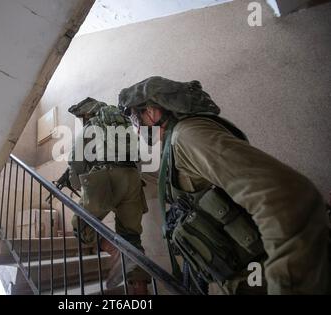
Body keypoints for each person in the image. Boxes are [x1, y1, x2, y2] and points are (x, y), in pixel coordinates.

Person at [118, 76, 330, 295]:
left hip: (262, 275)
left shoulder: (188, 136)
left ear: (152, 112)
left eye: (136, 119)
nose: (136, 129)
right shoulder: (177, 141)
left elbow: (285, 198)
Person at [67, 97, 150, 294]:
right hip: (132, 178)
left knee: (81, 225)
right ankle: (140, 292)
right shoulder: (124, 125)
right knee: (131, 236)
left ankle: (116, 252)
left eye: (82, 117)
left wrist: (77, 184)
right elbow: (138, 156)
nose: (82, 120)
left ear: (88, 113)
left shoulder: (91, 126)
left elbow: (76, 161)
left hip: (105, 177)